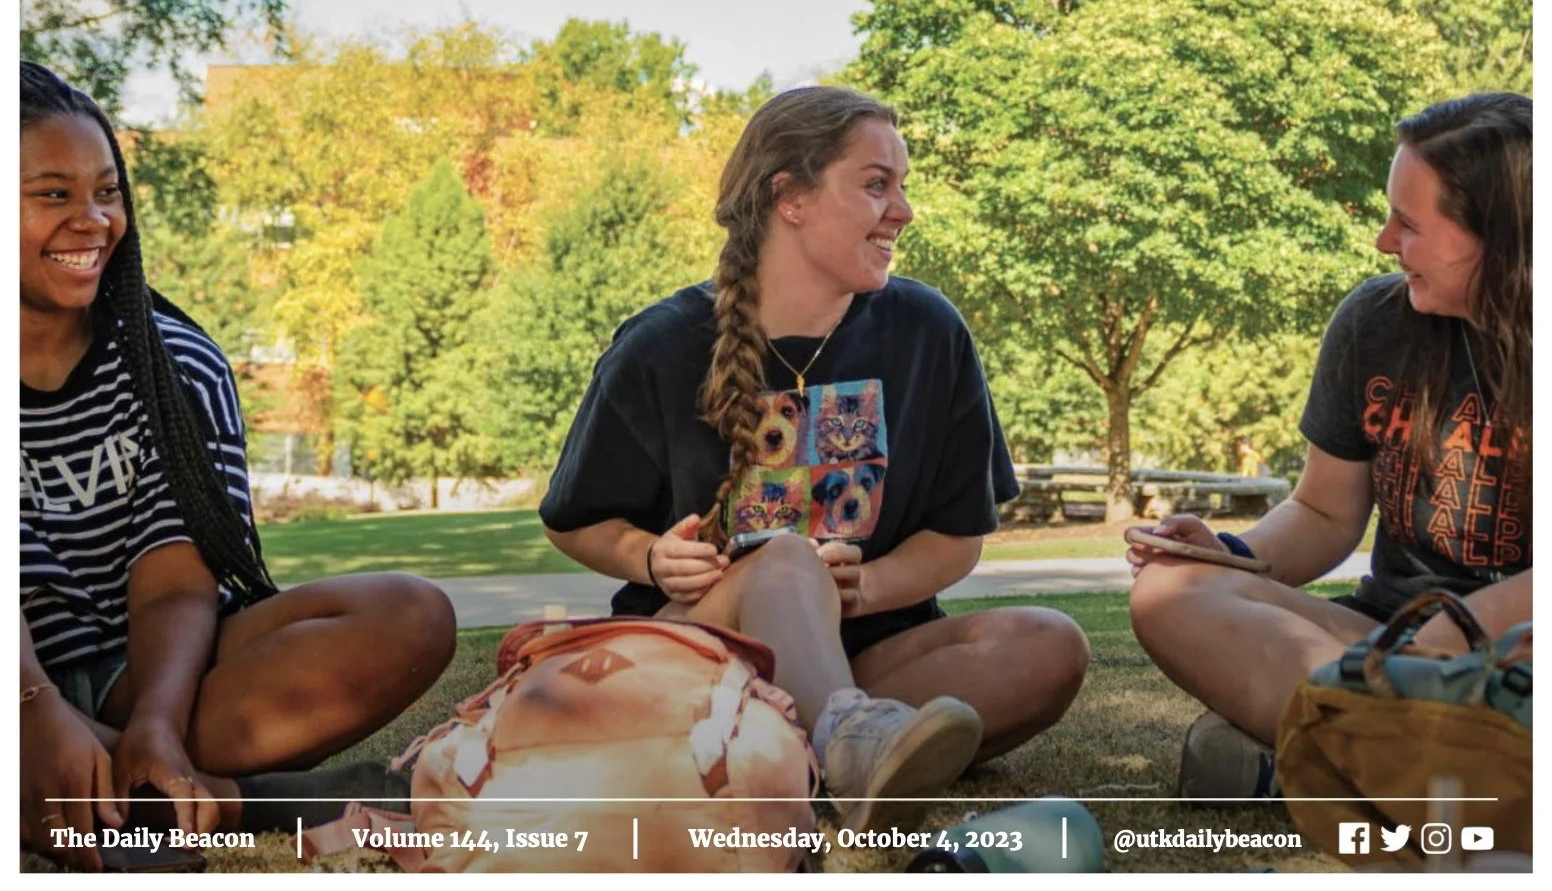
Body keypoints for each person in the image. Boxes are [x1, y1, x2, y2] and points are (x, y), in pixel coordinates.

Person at [540, 86, 1089, 825]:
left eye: (903, 186)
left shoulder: (930, 332)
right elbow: (573, 520)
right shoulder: (660, 345)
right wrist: (649, 559)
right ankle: (841, 745)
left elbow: (958, 538)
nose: (904, 210)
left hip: (874, 661)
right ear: (789, 197)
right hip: (704, 663)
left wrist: (866, 587)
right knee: (790, 559)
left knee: (1048, 644)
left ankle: (821, 745)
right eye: (875, 185)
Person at [20, 63, 458, 870]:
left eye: (108, 192)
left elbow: (173, 575)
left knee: (410, 616)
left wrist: (153, 720)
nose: (93, 220)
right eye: (52, 194)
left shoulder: (175, 364)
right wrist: (35, 711)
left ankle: (129, 785)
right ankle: (243, 802)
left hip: (142, 672)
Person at [1128, 92, 1532, 795]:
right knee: (1169, 591)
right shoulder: (1372, 322)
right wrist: (1231, 554)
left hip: (1510, 646)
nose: (1383, 241)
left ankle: (1324, 755)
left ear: (1499, 235)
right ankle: (1422, 763)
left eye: (1407, 224)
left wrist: (1448, 638)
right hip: (1380, 642)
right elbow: (1323, 514)